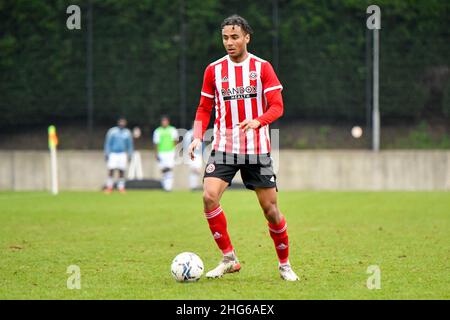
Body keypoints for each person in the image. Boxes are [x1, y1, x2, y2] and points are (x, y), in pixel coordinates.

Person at [188, 15, 299, 281]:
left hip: (257, 149)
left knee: (271, 210)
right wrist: (196, 136)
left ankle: (284, 265)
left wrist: (258, 120)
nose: (229, 42)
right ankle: (229, 258)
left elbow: (277, 106)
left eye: (235, 37)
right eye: (225, 37)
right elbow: (204, 108)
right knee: (208, 196)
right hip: (224, 146)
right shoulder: (213, 70)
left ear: (247, 37)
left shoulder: (262, 67)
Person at [104, 117, 134, 193]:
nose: (122, 124)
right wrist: (107, 153)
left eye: (123, 122)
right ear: (118, 122)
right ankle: (109, 187)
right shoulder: (112, 131)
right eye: (121, 122)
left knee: (122, 171)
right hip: (113, 153)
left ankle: (121, 187)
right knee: (111, 170)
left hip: (122, 153)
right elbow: (108, 143)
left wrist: (130, 154)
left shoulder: (127, 132)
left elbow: (130, 145)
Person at [153, 115, 179, 191]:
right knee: (163, 169)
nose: (164, 122)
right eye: (163, 121)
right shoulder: (158, 131)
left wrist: (174, 150)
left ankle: (168, 187)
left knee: (169, 168)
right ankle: (165, 184)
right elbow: (156, 143)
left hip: (170, 152)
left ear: (168, 122)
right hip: (161, 152)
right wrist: (156, 153)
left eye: (166, 121)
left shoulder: (172, 129)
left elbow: (175, 140)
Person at [184, 122, 203, 191]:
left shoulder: (200, 134)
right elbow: (186, 144)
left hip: (198, 154)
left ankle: (194, 186)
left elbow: (202, 145)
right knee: (194, 170)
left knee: (197, 171)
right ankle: (193, 186)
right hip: (192, 154)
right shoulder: (189, 134)